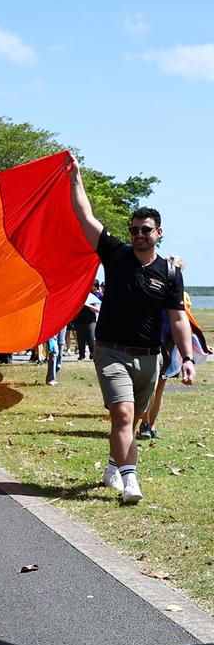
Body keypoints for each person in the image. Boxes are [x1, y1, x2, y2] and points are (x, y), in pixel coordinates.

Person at [69, 158, 195, 504]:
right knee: (122, 414)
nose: (139, 234)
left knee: (133, 420)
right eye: (135, 229)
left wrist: (187, 357)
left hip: (149, 357)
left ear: (159, 232)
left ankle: (113, 464)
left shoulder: (169, 273)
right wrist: (75, 179)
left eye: (146, 229)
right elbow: (86, 217)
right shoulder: (116, 255)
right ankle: (131, 481)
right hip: (110, 350)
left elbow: (179, 318)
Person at [139, 262, 211, 438]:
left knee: (158, 388)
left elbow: (187, 321)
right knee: (150, 387)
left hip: (169, 346)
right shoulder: (155, 289)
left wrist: (200, 345)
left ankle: (150, 425)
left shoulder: (178, 294)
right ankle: (144, 424)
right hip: (154, 344)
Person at [74, 280, 101, 360]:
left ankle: (92, 354)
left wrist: (87, 305)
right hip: (79, 320)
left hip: (91, 320)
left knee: (91, 337)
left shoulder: (93, 296)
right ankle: (81, 355)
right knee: (80, 338)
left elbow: (97, 309)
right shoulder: (80, 295)